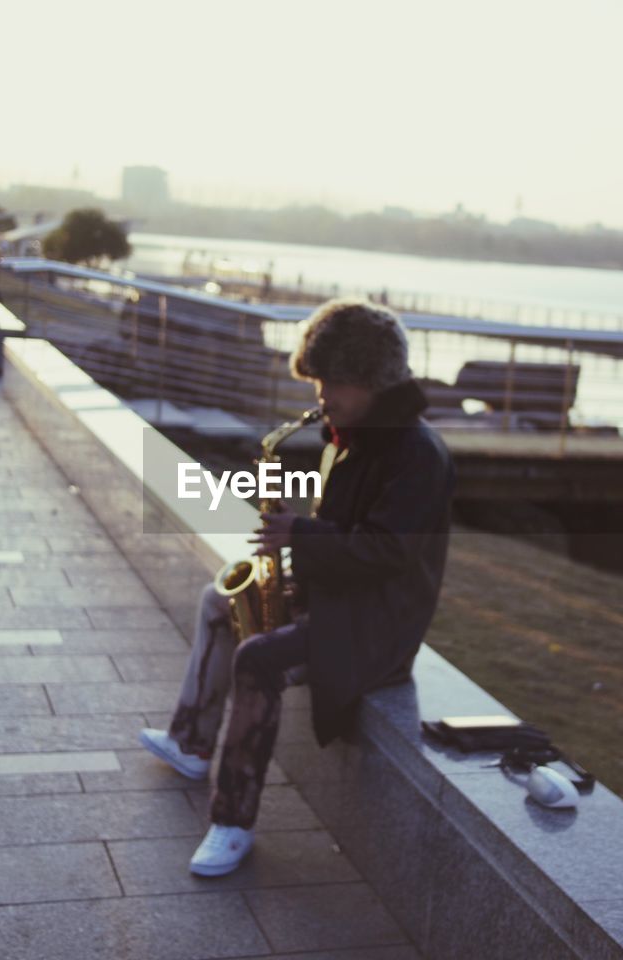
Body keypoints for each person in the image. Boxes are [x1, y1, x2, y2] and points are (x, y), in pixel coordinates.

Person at [138, 298, 456, 877]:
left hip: (377, 627)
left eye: (332, 382)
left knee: (259, 659)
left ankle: (232, 821)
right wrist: (294, 545)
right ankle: (191, 743)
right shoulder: (353, 435)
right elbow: (346, 533)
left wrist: (300, 535)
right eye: (318, 380)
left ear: (372, 381)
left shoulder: (417, 455)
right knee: (220, 600)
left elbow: (388, 552)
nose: (320, 396)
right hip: (340, 597)